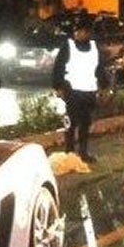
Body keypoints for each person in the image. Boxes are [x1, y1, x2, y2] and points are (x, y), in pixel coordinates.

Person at [52, 15, 107, 163]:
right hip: (72, 92)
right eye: (77, 31)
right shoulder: (68, 46)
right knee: (70, 124)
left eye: (83, 31)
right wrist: (58, 86)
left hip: (89, 92)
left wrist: (104, 86)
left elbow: (100, 69)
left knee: (85, 124)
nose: (79, 34)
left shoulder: (95, 48)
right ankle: (69, 152)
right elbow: (58, 67)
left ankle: (83, 152)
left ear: (88, 33)